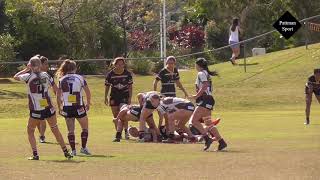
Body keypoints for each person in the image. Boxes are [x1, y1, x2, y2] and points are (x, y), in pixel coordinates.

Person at [13, 56, 72, 160]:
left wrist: (26, 69)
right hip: (48, 107)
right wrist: (60, 101)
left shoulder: (27, 76)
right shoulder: (46, 75)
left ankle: (35, 154)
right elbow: (56, 89)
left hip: (36, 109)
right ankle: (66, 152)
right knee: (55, 129)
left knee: (30, 131)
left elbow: (15, 76)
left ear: (30, 65)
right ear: (40, 65)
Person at [188, 58, 227, 151]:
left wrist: (196, 96)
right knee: (208, 124)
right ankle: (221, 142)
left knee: (194, 121)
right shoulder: (206, 73)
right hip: (209, 100)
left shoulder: (201, 73)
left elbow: (205, 85)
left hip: (204, 100)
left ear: (198, 65)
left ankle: (207, 139)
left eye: (195, 65)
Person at [56, 59, 92, 156]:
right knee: (85, 128)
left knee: (70, 130)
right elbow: (88, 92)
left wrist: (59, 107)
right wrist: (88, 103)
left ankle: (73, 150)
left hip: (67, 107)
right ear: (75, 68)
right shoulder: (80, 78)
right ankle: (83, 148)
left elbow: (58, 95)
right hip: (79, 106)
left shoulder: (61, 79)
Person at [105, 57, 133, 139]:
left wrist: (130, 97)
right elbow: (107, 86)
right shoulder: (110, 74)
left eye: (122, 64)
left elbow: (130, 87)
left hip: (124, 96)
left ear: (124, 64)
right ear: (115, 64)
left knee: (124, 114)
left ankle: (126, 132)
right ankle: (118, 133)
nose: (120, 65)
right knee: (115, 115)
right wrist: (105, 97)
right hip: (114, 96)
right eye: (118, 64)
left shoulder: (128, 74)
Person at [37, 56, 59, 143]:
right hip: (37, 101)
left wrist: (58, 99)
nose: (47, 66)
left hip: (44, 100)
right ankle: (42, 135)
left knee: (43, 119)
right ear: (40, 64)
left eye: (47, 64)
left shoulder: (48, 75)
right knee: (40, 119)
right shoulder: (35, 74)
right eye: (45, 64)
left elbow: (55, 89)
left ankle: (42, 136)